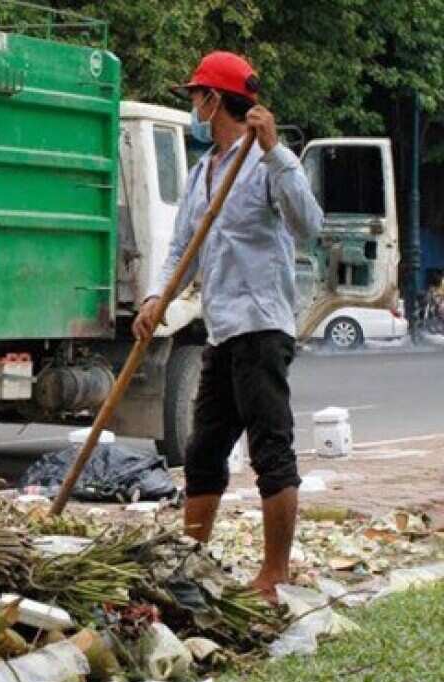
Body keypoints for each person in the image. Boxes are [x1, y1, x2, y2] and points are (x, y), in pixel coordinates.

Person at [133, 52, 323, 603]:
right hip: (220, 331)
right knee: (202, 452)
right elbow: (182, 252)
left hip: (262, 329)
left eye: (195, 97)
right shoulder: (201, 172)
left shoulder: (264, 163)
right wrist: (156, 297)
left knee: (270, 450)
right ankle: (190, 562)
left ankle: (274, 573)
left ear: (214, 101)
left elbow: (308, 225)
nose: (191, 106)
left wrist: (276, 151)